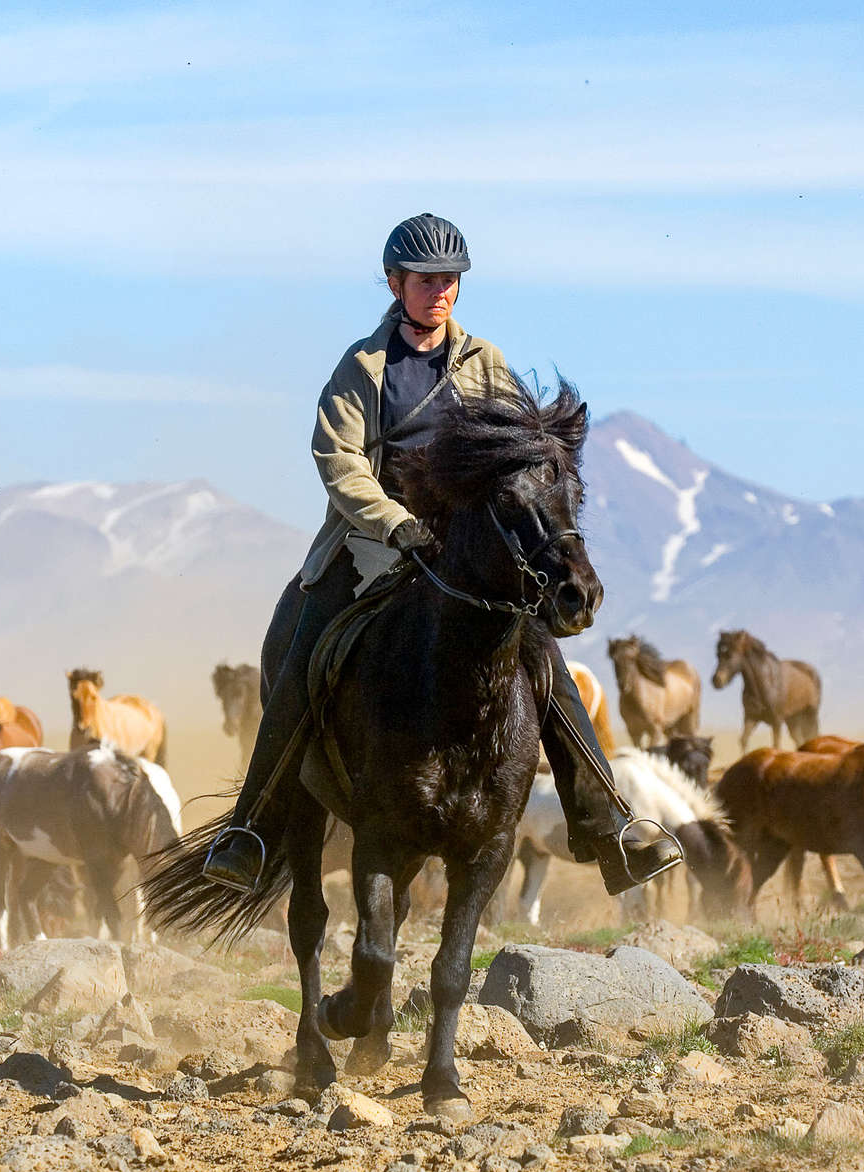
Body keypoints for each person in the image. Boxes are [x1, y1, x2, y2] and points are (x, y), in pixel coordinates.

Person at [201, 213, 684, 895]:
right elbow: (339, 462)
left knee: (543, 657)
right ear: (396, 283)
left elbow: (514, 455)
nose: (440, 292)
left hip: (462, 544)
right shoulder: (362, 367)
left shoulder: (484, 363)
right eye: (427, 280)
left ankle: (608, 825)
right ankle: (249, 830)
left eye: (450, 281)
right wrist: (397, 524)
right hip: (372, 541)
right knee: (300, 653)